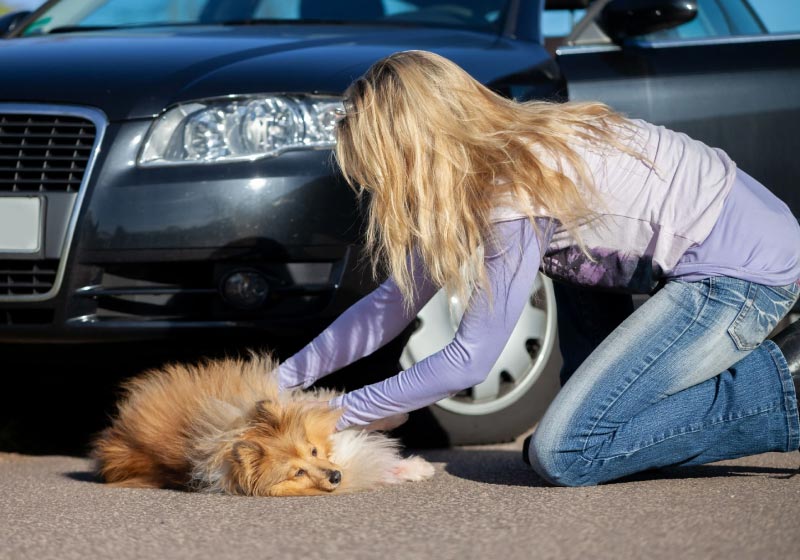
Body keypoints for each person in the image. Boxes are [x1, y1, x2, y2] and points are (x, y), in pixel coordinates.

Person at [277, 50, 800, 487]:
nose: (382, 187)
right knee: (573, 439)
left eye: (384, 169)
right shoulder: (493, 159)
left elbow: (467, 361)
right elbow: (393, 303)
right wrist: (279, 382)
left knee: (567, 453)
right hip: (713, 257)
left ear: (420, 147)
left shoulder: (512, 188)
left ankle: (788, 386)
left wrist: (334, 414)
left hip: (743, 277)